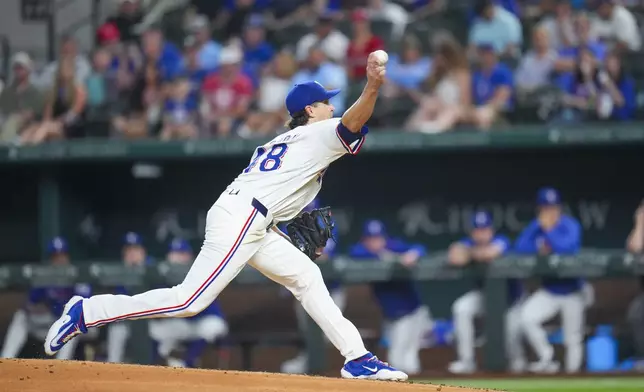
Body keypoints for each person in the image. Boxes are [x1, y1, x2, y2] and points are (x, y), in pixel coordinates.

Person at [44, 50, 409, 381]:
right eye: (326, 103)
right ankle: (87, 312)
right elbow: (354, 121)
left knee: (306, 277)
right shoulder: (320, 133)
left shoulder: (280, 141)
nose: (332, 107)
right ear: (310, 110)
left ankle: (357, 357)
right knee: (188, 301)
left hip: (250, 217)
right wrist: (373, 85)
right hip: (245, 218)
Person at [515, 187, 586, 374]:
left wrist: (549, 231)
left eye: (553, 207)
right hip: (550, 290)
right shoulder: (536, 226)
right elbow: (520, 249)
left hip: (573, 290)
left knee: (572, 338)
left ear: (560, 208)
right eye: (546, 207)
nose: (550, 211)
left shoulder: (570, 225)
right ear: (540, 209)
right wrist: (539, 230)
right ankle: (547, 357)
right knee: (526, 318)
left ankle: (573, 377)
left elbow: (568, 250)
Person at [446, 211, 525, 374]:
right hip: (485, 296)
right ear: (472, 232)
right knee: (461, 308)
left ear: (491, 230)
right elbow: (455, 256)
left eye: (485, 229)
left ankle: (518, 365)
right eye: (478, 230)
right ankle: (466, 361)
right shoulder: (468, 242)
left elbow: (491, 253)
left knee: (510, 336)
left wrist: (470, 254)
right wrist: (471, 253)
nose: (481, 234)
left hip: (511, 300)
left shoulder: (502, 240)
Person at [348, 219, 430, 376]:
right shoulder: (364, 253)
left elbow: (421, 248)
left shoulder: (394, 246)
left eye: (378, 238)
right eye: (371, 239)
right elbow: (354, 252)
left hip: (411, 313)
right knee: (400, 360)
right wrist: (382, 256)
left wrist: (411, 255)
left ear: (385, 238)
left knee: (402, 361)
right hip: (391, 317)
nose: (375, 242)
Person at [1, 238, 92, 360]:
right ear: (51, 260)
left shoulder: (77, 276)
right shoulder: (44, 277)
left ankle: (61, 368)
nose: (59, 260)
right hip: (52, 323)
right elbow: (30, 304)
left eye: (62, 256)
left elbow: (84, 309)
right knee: (21, 317)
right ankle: (5, 361)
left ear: (68, 257)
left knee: (73, 324)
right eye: (55, 257)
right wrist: (38, 309)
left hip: (83, 327)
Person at [148, 239, 229, 368]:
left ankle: (188, 361)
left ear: (189, 256)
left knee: (215, 326)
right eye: (174, 253)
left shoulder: (200, 271)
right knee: (155, 330)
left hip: (201, 321)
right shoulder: (164, 275)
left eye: (181, 253)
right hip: (181, 324)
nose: (177, 258)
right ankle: (156, 363)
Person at [106, 232, 154, 363]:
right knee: (116, 331)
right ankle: (110, 368)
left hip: (152, 321)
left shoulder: (152, 268)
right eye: (128, 249)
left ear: (143, 251)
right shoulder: (120, 271)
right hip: (127, 321)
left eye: (135, 249)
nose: (132, 253)